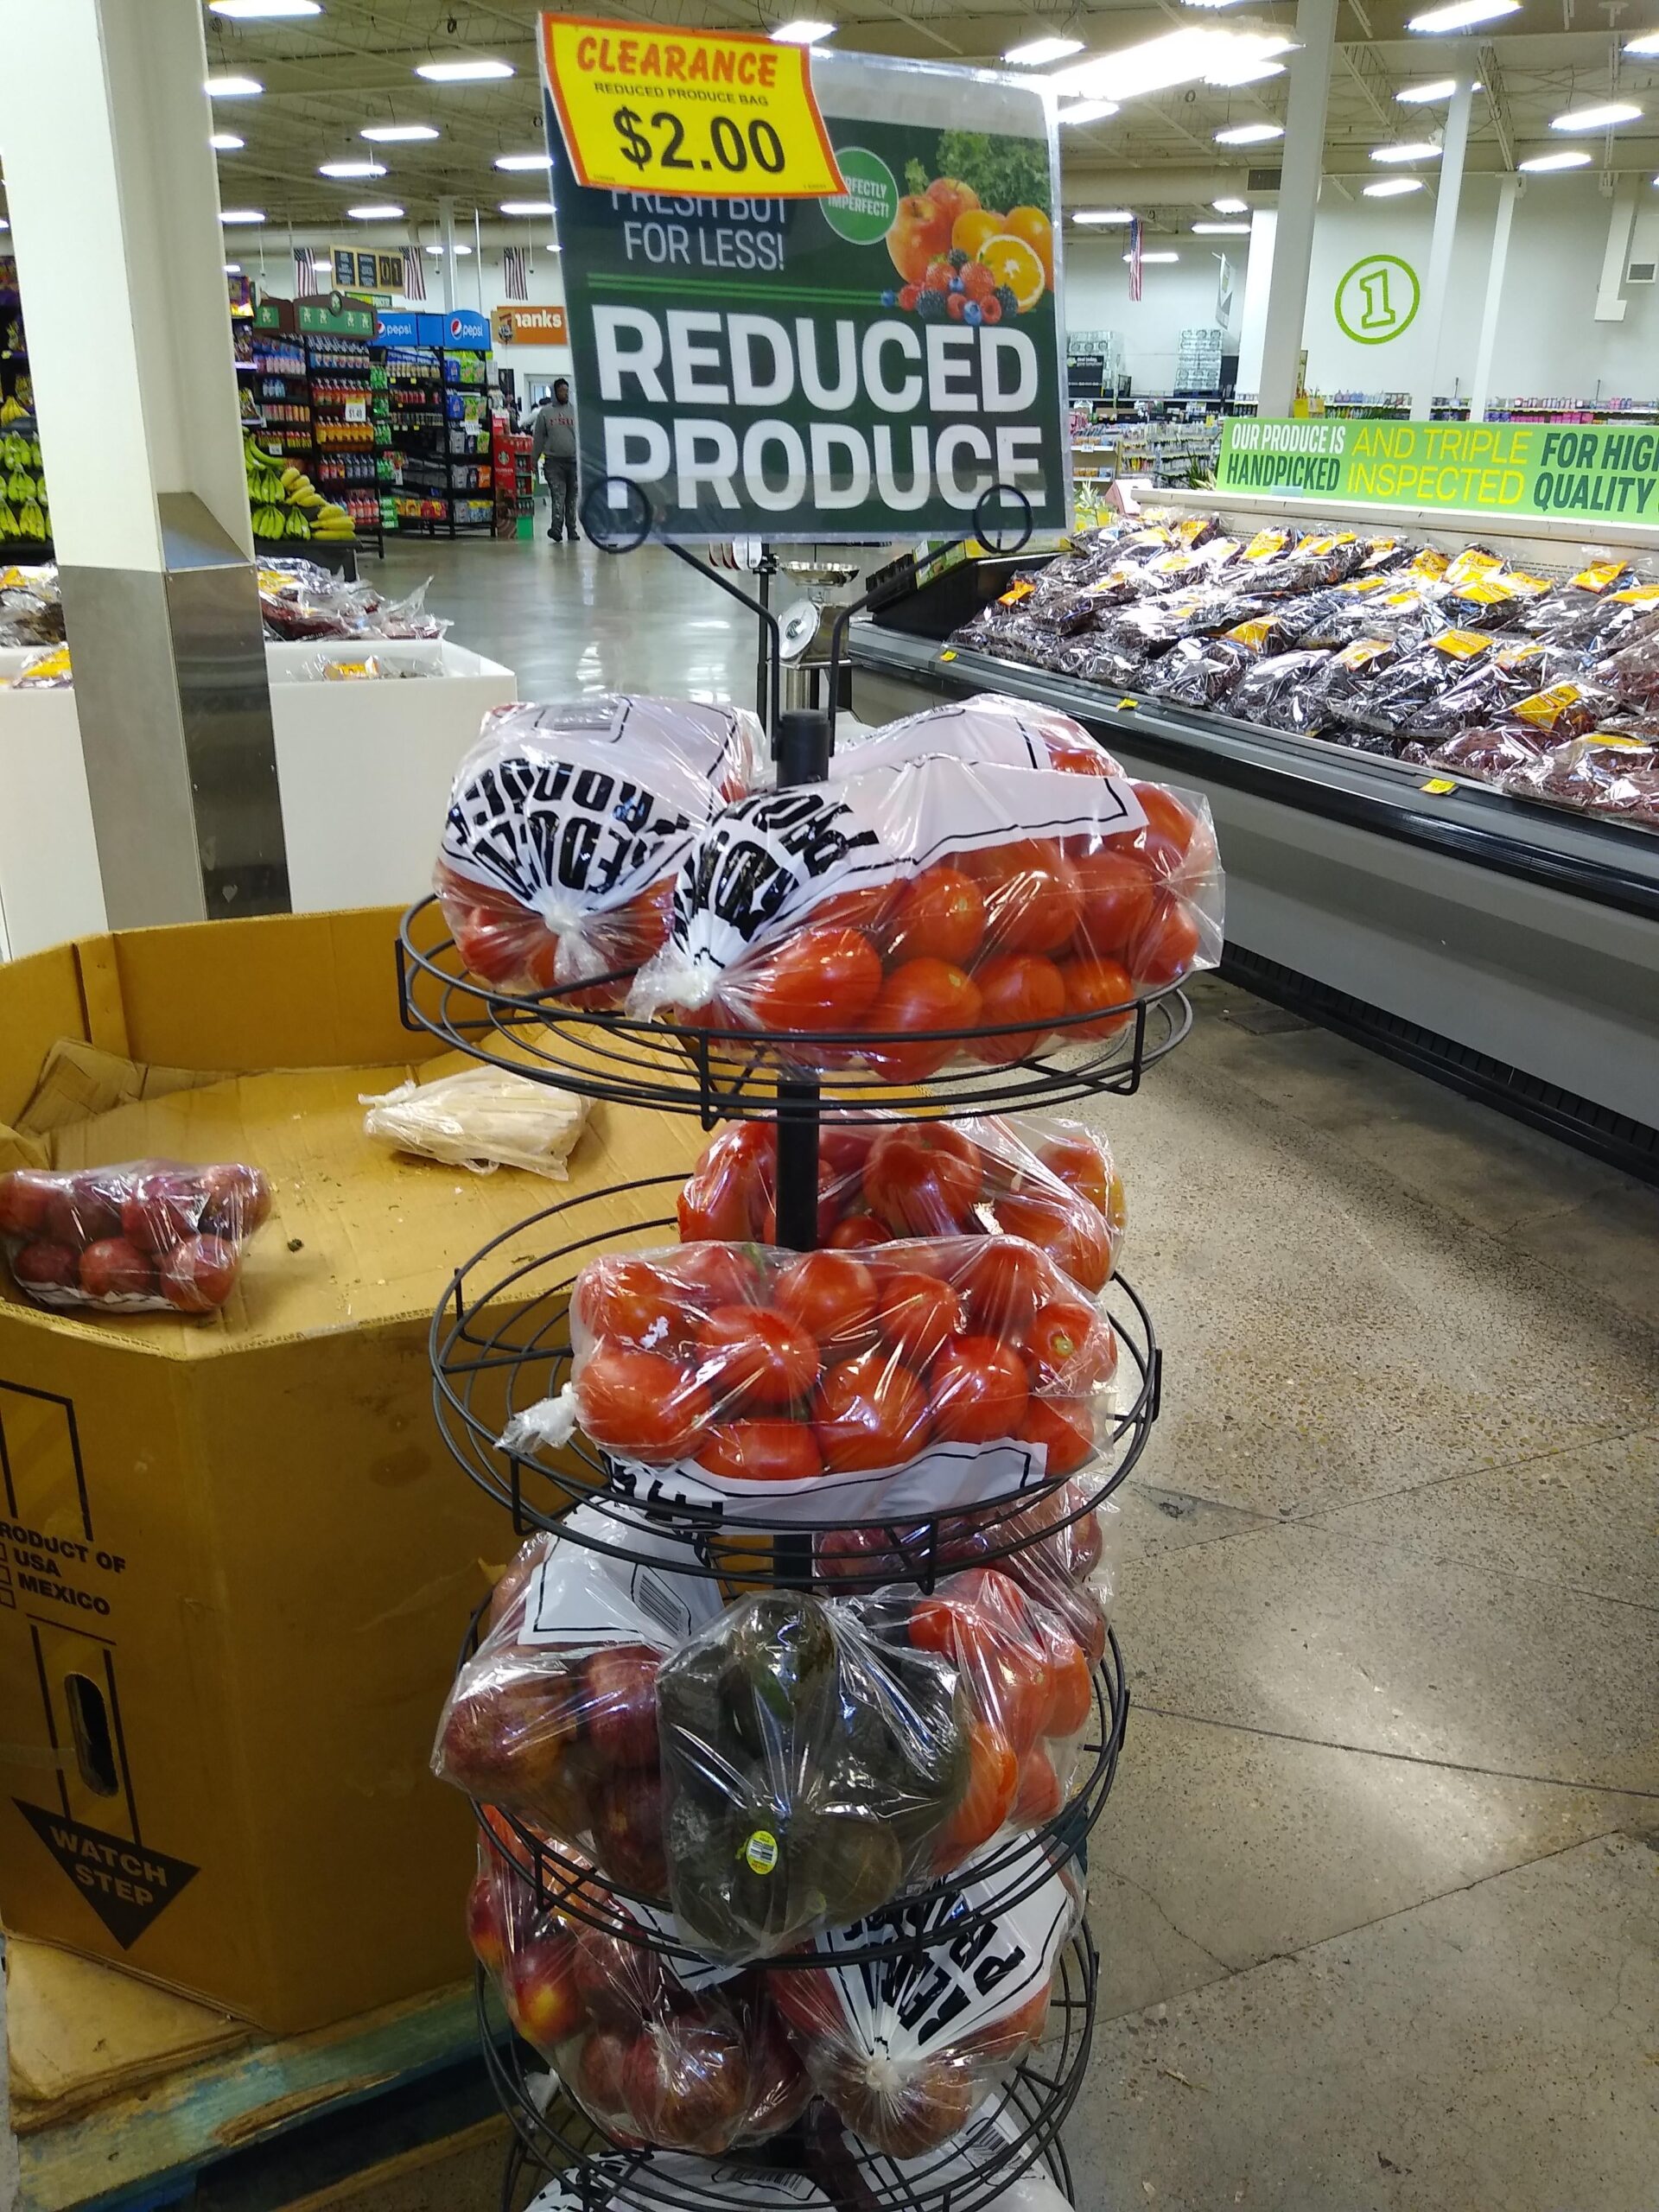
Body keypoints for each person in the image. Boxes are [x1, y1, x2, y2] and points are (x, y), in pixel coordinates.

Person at [531, 378, 580, 543]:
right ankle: (556, 528)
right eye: (561, 391)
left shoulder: (575, 412)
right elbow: (538, 439)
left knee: (572, 498)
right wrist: (533, 460)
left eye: (566, 391)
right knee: (559, 495)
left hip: (573, 462)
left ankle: (572, 530)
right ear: (554, 392)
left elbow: (582, 437)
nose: (564, 394)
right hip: (553, 462)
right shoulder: (545, 413)